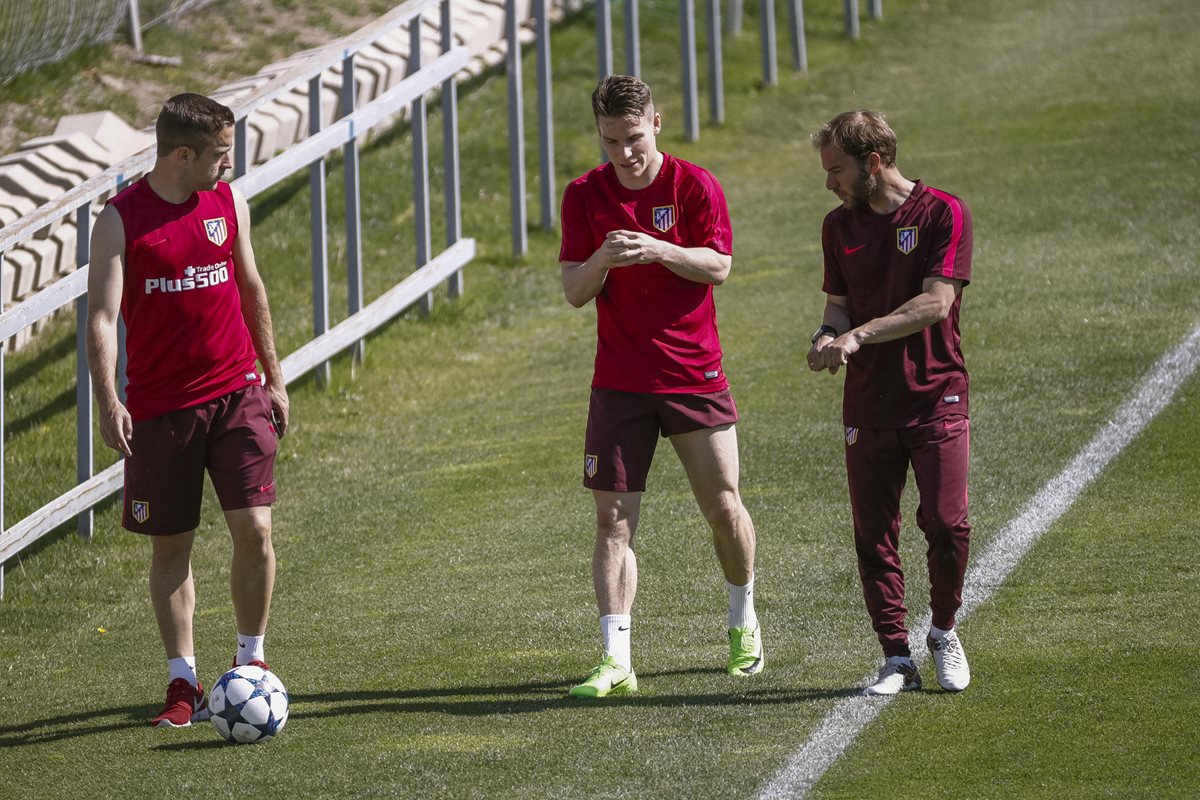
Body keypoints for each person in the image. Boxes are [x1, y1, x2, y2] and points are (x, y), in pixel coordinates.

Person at [86, 93, 289, 727]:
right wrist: (108, 399)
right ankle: (183, 683)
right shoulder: (120, 220)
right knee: (171, 550)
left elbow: (250, 287)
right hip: (162, 411)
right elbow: (100, 316)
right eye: (220, 154)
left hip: (238, 395)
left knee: (255, 531)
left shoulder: (229, 202)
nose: (229, 163)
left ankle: (251, 664)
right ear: (183, 154)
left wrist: (274, 379)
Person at [559, 75, 762, 698]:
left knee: (723, 507)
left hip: (692, 374)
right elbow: (573, 289)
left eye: (635, 137)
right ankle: (616, 657)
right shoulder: (584, 196)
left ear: (658, 123)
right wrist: (602, 261)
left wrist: (656, 247)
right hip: (619, 382)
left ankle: (743, 619)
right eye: (611, 140)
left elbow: (719, 266)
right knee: (612, 521)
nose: (624, 153)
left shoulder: (694, 184)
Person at [807, 110, 973, 695]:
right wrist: (827, 335)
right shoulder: (838, 227)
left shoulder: (941, 212)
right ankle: (896, 655)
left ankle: (944, 630)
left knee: (947, 524)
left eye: (837, 171)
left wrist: (858, 335)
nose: (830, 183)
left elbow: (935, 305)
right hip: (868, 404)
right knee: (873, 533)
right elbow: (836, 306)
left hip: (936, 395)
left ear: (873, 163)